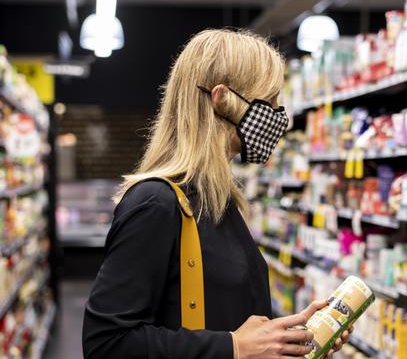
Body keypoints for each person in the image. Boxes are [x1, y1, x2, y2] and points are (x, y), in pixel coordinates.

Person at [82, 29, 350, 359]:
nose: (279, 116)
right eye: (269, 101)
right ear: (221, 98)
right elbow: (106, 343)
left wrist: (289, 342)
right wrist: (233, 347)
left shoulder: (217, 200)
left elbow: (226, 316)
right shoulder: (156, 202)